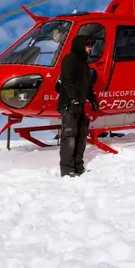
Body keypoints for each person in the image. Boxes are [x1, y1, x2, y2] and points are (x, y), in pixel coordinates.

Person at [57, 34, 99, 177]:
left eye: (91, 46)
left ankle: (78, 167)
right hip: (68, 105)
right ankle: (67, 170)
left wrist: (92, 99)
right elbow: (67, 81)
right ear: (81, 46)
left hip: (79, 106)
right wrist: (74, 99)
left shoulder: (84, 64)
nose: (90, 49)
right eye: (88, 46)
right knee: (70, 137)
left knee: (81, 137)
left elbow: (87, 86)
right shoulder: (70, 59)